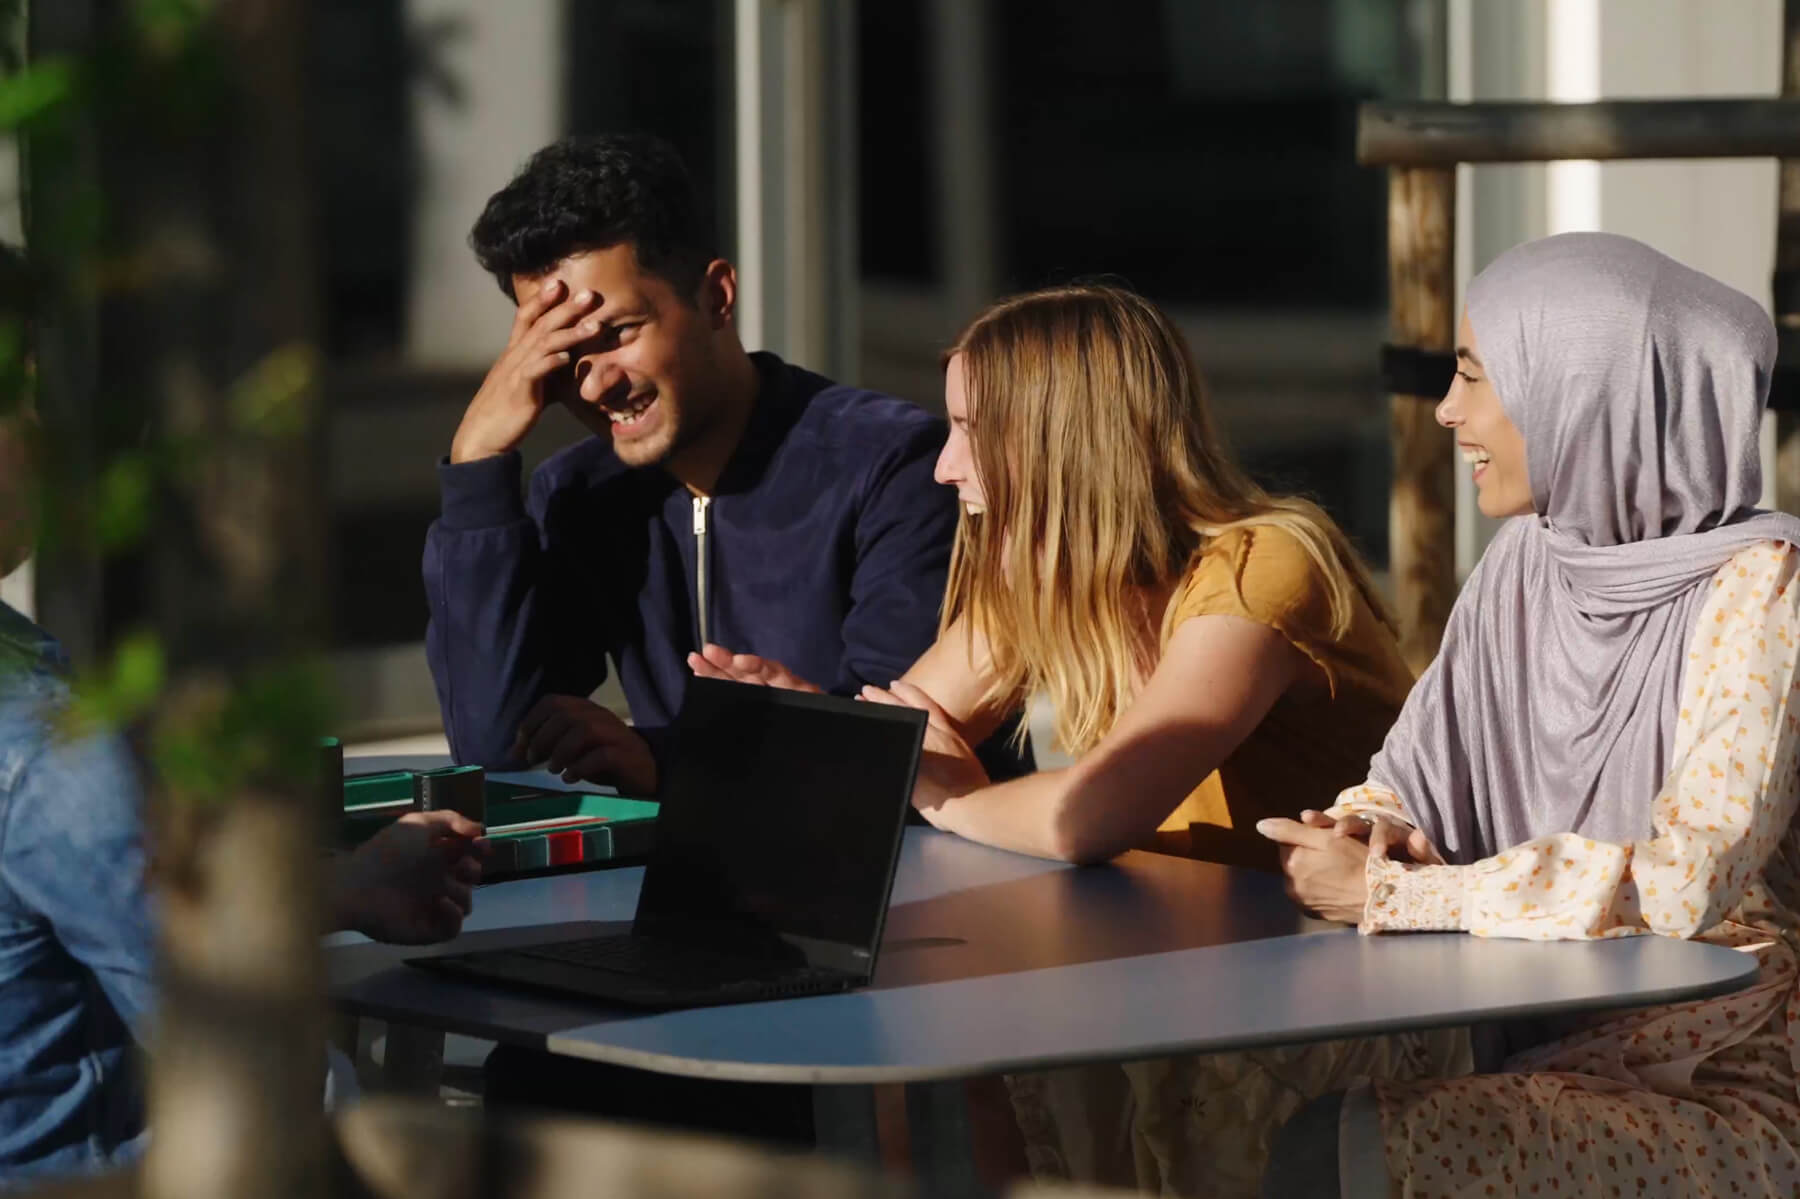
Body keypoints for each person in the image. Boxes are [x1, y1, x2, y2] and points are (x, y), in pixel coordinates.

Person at [697, 283, 1468, 1193]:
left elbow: (1087, 815)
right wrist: (806, 723)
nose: (945, 468)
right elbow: (889, 744)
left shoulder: (1263, 567)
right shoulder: (1053, 575)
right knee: (923, 1035)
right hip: (1167, 967)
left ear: (1062, 438)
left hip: (1322, 993)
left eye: (967, 431)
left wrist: (952, 791)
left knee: (949, 1031)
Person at [1258, 232, 1800, 1198]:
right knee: (1247, 1096)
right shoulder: (1527, 561)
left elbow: (1690, 881)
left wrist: (1405, 898)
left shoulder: (1762, 589)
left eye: (1475, 376)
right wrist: (1372, 829)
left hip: (1711, 1085)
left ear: (1584, 389)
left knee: (1334, 1151)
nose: (1446, 410)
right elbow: (1420, 766)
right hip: (1534, 1045)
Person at [0, 262, 485, 1182]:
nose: (47, 434)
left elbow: (76, 904)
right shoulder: (44, 746)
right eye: (23, 398)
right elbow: (254, 1081)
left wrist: (337, 889)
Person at [423, 132, 1027, 794]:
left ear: (716, 297)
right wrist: (477, 468)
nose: (594, 384)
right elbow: (493, 745)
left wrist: (670, 765)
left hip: (934, 883)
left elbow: (901, 758)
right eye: (563, 353)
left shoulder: (892, 464)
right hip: (707, 879)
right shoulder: (581, 493)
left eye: (617, 334)